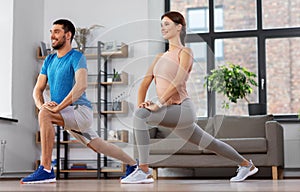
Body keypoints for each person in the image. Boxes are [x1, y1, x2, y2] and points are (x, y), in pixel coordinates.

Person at [120, 11, 258, 184]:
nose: (163, 28)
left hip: (183, 109)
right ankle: (247, 165)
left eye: (167, 24)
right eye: (161, 24)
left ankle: (144, 170)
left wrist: (158, 104)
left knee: (140, 116)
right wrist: (142, 103)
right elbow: (145, 82)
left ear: (179, 27)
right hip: (169, 110)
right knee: (211, 143)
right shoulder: (159, 57)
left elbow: (178, 81)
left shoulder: (185, 52)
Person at [20, 19, 137, 184]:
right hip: (66, 113)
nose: (52, 36)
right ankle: (134, 165)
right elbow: (37, 89)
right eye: (51, 32)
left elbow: (81, 86)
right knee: (97, 144)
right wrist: (42, 106)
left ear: (68, 35)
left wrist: (57, 108)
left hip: (79, 111)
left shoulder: (77, 57)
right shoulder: (49, 60)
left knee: (46, 116)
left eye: (57, 32)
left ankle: (46, 169)